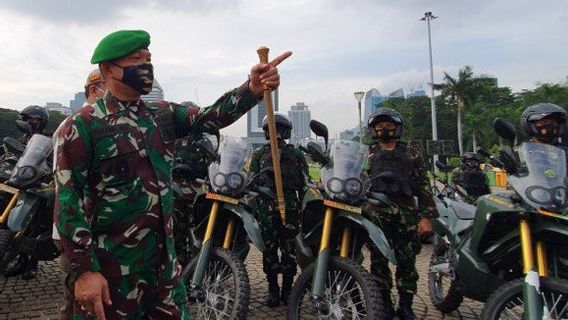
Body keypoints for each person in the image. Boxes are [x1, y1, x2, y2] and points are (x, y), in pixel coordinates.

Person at [53, 29, 291, 319]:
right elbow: (67, 201)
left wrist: (251, 89)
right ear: (107, 69)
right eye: (135, 58)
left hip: (164, 271)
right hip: (112, 273)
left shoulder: (161, 114)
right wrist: (84, 270)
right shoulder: (82, 126)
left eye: (148, 58)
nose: (146, 65)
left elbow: (211, 116)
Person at [364, 107, 438, 320]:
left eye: (389, 126)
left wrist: (426, 217)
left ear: (397, 128)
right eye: (379, 127)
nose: (384, 130)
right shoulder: (367, 153)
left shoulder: (410, 153)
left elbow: (424, 186)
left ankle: (406, 306)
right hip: (376, 214)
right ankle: (385, 304)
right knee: (378, 262)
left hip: (406, 214)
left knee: (407, 262)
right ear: (373, 130)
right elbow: (356, 179)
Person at [52, 69, 107, 320]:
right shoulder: (77, 123)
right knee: (76, 300)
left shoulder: (104, 122)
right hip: (75, 232)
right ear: (95, 90)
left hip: (95, 231)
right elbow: (67, 189)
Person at [250, 113, 308, 307]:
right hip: (266, 209)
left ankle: (288, 290)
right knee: (270, 250)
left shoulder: (296, 154)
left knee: (289, 250)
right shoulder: (259, 154)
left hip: (290, 208)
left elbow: (305, 182)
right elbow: (252, 179)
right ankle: (273, 289)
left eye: (277, 129)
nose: (273, 133)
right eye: (269, 129)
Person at [3, 105, 51, 280]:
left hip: (37, 184)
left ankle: (31, 264)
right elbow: (12, 156)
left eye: (34, 119)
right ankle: (18, 258)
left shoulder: (48, 139)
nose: (30, 122)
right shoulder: (22, 138)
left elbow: (52, 160)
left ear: (41, 121)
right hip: (17, 182)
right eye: (27, 119)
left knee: (35, 224)